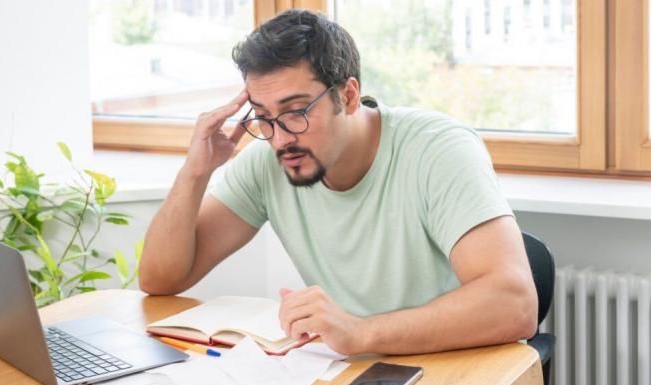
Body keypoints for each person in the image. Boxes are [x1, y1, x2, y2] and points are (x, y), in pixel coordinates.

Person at [139, 9, 538, 355]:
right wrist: (196, 172)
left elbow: (515, 305)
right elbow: (161, 279)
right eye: (262, 116)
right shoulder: (270, 159)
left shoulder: (437, 150)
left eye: (296, 112)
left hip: (454, 374)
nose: (280, 138)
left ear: (347, 96)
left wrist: (360, 332)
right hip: (352, 377)